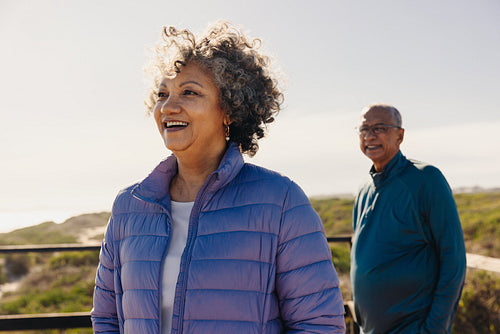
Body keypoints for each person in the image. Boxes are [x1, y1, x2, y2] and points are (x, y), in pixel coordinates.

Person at [91, 21, 346, 334]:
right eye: (162, 93)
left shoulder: (281, 201)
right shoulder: (128, 207)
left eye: (189, 92)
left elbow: (318, 325)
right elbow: (106, 320)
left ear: (230, 110)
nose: (169, 107)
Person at [350, 103, 466, 333]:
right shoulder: (363, 188)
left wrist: (435, 328)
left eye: (379, 128)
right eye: (364, 129)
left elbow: (453, 258)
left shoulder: (426, 179)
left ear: (400, 135)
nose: (369, 136)